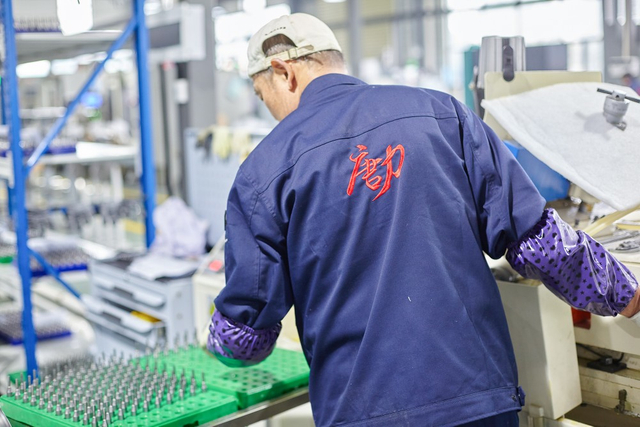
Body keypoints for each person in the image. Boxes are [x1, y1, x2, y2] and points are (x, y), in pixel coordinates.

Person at [206, 13, 640, 427]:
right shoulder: (441, 113)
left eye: (266, 99)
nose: (275, 116)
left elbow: (246, 330)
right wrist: (624, 294)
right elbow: (537, 240)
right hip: (478, 400)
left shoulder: (262, 172)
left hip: (360, 409)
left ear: (284, 72)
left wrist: (218, 342)